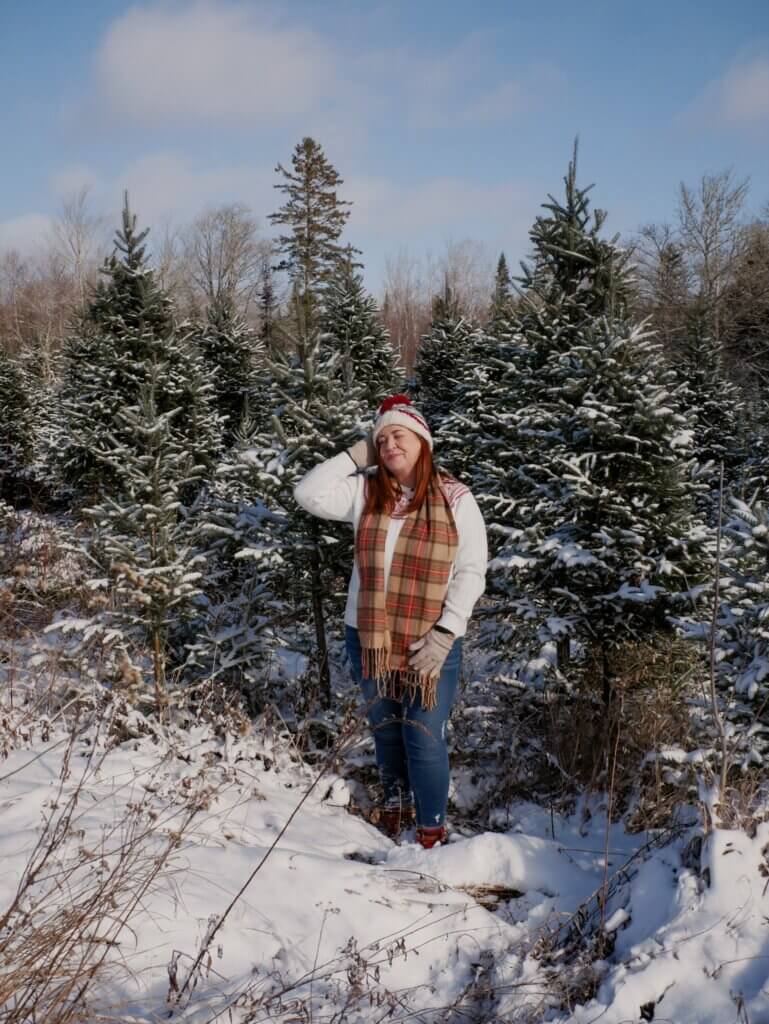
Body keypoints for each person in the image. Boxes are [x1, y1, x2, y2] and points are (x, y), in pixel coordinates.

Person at [294, 395, 487, 848]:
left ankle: (431, 831)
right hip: (370, 637)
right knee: (386, 728)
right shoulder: (366, 492)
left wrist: (446, 633)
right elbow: (308, 493)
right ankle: (396, 808)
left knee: (423, 735)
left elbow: (472, 570)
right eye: (381, 438)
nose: (389, 443)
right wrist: (358, 453)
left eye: (399, 434)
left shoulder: (456, 498)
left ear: (423, 441)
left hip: (431, 641)